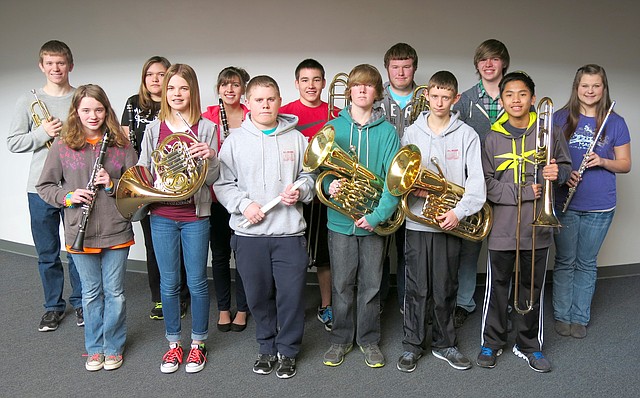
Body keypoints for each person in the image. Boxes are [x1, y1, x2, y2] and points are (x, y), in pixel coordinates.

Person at [214, 75, 315, 379]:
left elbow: (310, 178)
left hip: (289, 234)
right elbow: (222, 183)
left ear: (279, 101)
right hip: (250, 234)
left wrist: (301, 190)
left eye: (271, 99)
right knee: (258, 295)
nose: (265, 105)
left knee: (291, 295)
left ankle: (287, 350)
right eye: (259, 100)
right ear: (247, 103)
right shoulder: (234, 141)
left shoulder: (297, 139)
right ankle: (266, 346)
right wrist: (245, 205)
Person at [36, 84, 137, 371]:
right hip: (78, 230)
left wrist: (112, 184)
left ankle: (113, 346)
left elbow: (135, 189)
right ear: (76, 112)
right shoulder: (63, 144)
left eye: (98, 109)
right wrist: (67, 197)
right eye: (86, 110)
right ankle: (95, 348)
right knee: (92, 293)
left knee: (115, 292)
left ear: (107, 110)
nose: (93, 116)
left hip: (116, 229)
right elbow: (44, 186)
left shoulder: (121, 145)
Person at [478, 71, 571, 373]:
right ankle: (492, 341)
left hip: (538, 228)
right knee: (498, 288)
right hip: (502, 230)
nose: (516, 100)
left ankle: (529, 344)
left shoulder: (549, 132)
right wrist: (521, 191)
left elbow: (566, 168)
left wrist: (560, 174)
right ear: (501, 99)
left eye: (522, 94)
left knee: (532, 288)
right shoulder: (491, 138)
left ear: (533, 98)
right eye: (509, 94)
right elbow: (486, 185)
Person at [396, 71, 485, 373]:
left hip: (450, 222)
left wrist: (458, 213)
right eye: (435, 96)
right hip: (419, 222)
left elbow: (476, 184)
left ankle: (445, 343)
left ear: (455, 99)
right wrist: (411, 187)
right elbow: (399, 177)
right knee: (416, 287)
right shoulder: (411, 133)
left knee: (446, 285)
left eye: (446, 97)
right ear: (427, 96)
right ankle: (411, 345)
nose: (440, 102)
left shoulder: (467, 134)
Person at [137, 63, 219, 374]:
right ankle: (173, 345)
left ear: (192, 91)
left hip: (196, 215)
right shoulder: (153, 130)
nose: (176, 93)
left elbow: (212, 178)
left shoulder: (206, 127)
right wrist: (159, 182)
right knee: (169, 284)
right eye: (171, 88)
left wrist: (210, 158)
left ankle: (198, 344)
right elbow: (145, 170)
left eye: (183, 88)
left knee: (197, 283)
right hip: (162, 214)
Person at [321, 64, 400, 369]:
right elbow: (320, 171)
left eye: (369, 85)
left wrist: (378, 216)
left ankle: (368, 340)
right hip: (340, 221)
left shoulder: (388, 132)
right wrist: (331, 184)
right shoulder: (334, 128)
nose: (362, 90)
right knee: (341, 284)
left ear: (377, 92)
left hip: (373, 223)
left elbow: (394, 181)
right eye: (356, 85)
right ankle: (340, 340)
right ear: (349, 91)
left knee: (371, 285)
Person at [7, 40, 83, 331]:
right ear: (42, 66)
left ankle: (81, 303)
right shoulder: (28, 100)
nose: (55, 68)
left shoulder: (80, 97)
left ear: (70, 66)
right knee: (47, 252)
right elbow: (14, 142)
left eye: (60, 63)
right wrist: (42, 133)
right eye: (49, 63)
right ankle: (53, 306)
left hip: (74, 184)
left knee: (77, 248)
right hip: (40, 188)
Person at [552, 64, 631, 339]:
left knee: (586, 262)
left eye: (596, 85)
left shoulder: (615, 121)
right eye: (585, 85)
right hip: (566, 202)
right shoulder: (560, 118)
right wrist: (564, 176)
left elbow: (625, 164)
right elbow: (547, 160)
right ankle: (562, 316)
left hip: (600, 206)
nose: (590, 90)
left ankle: (579, 317)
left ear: (603, 88)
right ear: (577, 87)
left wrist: (602, 161)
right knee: (565, 261)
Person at [121, 56, 189, 321]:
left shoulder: (178, 105)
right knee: (153, 244)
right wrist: (138, 181)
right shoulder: (132, 104)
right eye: (150, 74)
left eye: (161, 74)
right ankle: (159, 297)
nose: (155, 79)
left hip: (173, 183)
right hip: (145, 181)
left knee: (179, 244)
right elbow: (126, 142)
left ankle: (181, 295)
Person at [452, 39, 511, 328]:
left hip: (508, 184)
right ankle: (464, 302)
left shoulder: (515, 95)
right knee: (469, 247)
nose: (489, 64)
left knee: (505, 249)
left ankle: (503, 302)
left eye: (495, 59)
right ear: (477, 65)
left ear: (503, 63)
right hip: (473, 184)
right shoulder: (465, 99)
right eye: (483, 60)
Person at [280, 58, 333, 331]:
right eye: (305, 80)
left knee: (324, 253)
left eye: (316, 80)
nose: (311, 86)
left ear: (324, 82)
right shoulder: (285, 113)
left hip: (326, 191)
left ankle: (326, 306)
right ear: (296, 83)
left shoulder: (336, 113)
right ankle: (292, 307)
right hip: (294, 191)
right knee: (295, 255)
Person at [202, 66, 251, 332]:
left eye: (234, 84)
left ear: (244, 88)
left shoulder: (252, 115)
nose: (229, 89)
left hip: (245, 196)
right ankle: (223, 308)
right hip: (214, 196)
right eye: (224, 84)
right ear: (218, 88)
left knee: (242, 255)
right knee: (219, 255)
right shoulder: (206, 117)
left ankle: (242, 308)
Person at [378, 43, 419, 312]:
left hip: (415, 185)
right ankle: (377, 303)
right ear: (387, 69)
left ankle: (407, 303)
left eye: (406, 66)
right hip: (379, 184)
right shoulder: (373, 96)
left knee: (409, 249)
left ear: (414, 68)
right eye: (395, 67)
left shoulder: (427, 97)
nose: (401, 72)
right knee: (378, 249)